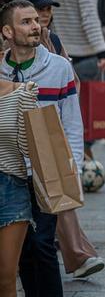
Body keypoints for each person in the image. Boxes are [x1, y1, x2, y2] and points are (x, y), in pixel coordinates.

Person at [0, 0, 82, 295]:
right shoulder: (0, 70)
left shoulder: (59, 68)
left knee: (43, 244)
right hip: (9, 172)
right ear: (7, 31)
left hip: (47, 171)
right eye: (26, 22)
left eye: (37, 20)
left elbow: (72, 122)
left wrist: (75, 171)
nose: (36, 26)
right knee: (23, 251)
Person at [0, 73, 37, 297]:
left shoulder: (21, 93)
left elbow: (28, 149)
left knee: (6, 277)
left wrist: (29, 106)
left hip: (11, 188)